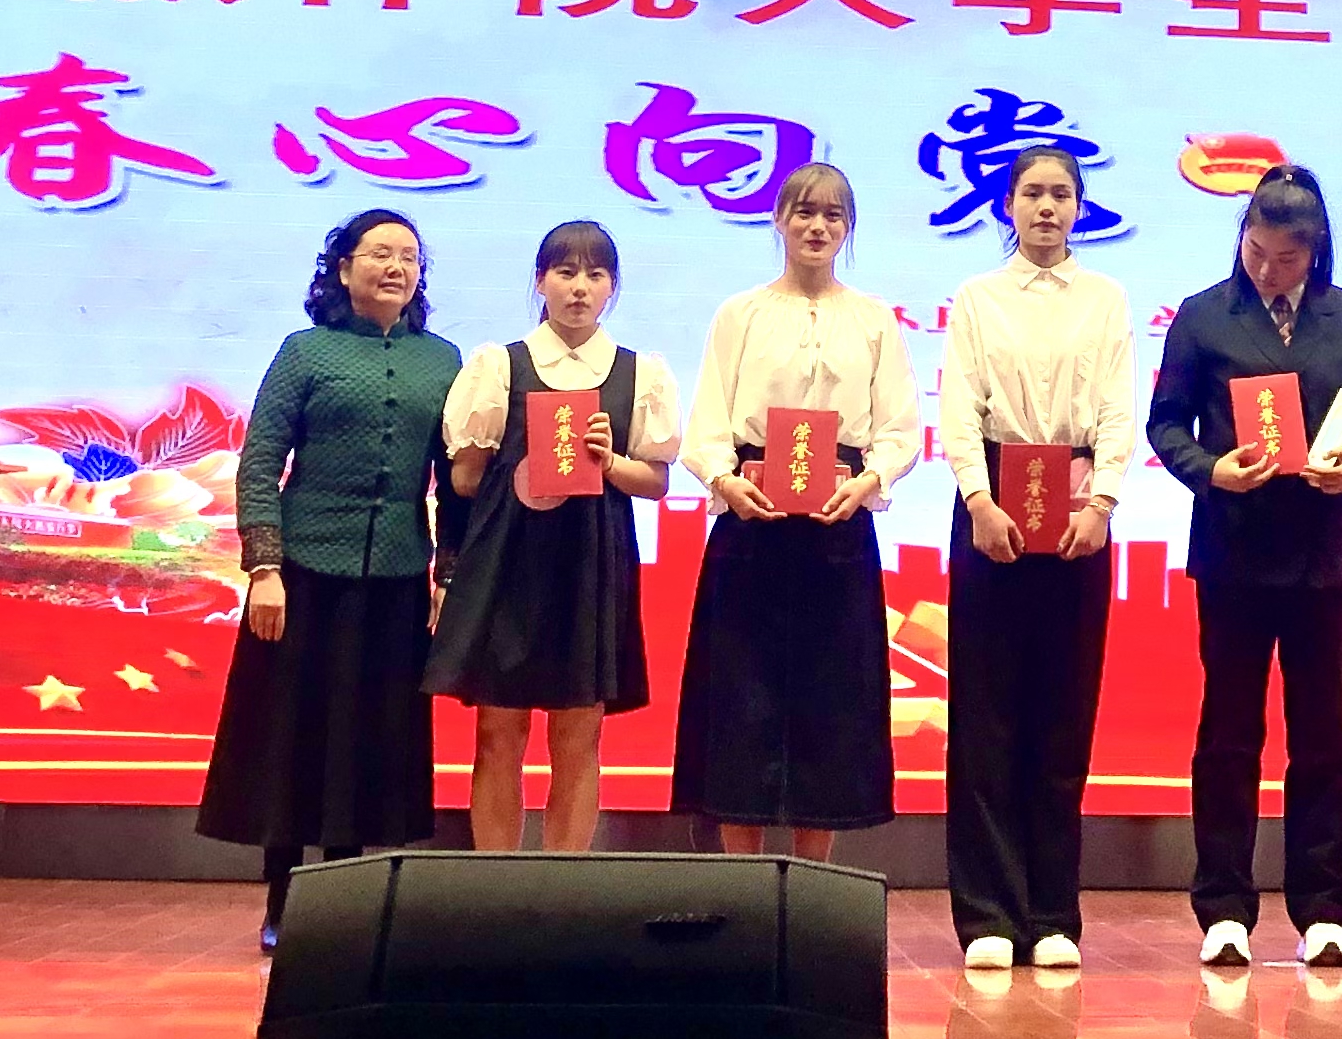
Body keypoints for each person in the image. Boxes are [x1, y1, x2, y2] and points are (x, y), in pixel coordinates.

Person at [1147, 165, 1342, 969]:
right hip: (1235, 551)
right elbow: (1165, 424)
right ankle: (1223, 906)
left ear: (1314, 251)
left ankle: (1323, 909)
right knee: (1228, 732)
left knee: (1322, 735)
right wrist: (1212, 469)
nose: (1269, 271)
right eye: (1257, 252)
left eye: (1286, 258)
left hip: (1323, 554)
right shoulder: (1203, 316)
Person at [199, 208, 458, 947]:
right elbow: (260, 460)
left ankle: (350, 899)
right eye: (379, 254)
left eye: (409, 257)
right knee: (294, 734)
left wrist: (447, 573)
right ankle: (284, 902)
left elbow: (452, 479)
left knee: (372, 737)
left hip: (398, 579)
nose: (396, 267)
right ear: (343, 269)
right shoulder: (305, 351)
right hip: (303, 578)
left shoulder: (442, 360)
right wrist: (265, 567)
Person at [673, 162, 918, 858]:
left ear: (848, 228)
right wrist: (726, 482)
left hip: (839, 526)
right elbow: (708, 423)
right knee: (740, 702)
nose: (817, 226)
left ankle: (813, 890)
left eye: (833, 215)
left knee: (833, 705)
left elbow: (900, 428)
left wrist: (868, 483)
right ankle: (744, 886)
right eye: (804, 212)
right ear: (778, 219)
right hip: (752, 525)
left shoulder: (872, 318)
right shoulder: (740, 313)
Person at [935, 145, 1139, 973]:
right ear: (1008, 207)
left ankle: (1054, 914)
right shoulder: (978, 298)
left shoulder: (1105, 298)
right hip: (992, 503)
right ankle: (988, 914)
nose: (1047, 207)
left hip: (1080, 507)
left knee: (1062, 715)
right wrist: (979, 502)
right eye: (1031, 194)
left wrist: (1103, 503)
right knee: (985, 716)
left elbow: (1118, 407)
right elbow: (957, 405)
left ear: (1080, 207)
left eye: (1061, 194)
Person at [425, 220, 680, 853]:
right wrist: (520, 473)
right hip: (508, 563)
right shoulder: (498, 365)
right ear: (540, 281)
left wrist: (608, 462)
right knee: (498, 731)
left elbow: (655, 482)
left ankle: (563, 886)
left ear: (612, 287)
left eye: (595, 275)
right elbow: (463, 478)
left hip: (591, 566)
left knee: (580, 734)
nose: (579, 288)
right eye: (565, 273)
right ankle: (496, 885)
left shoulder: (639, 373)